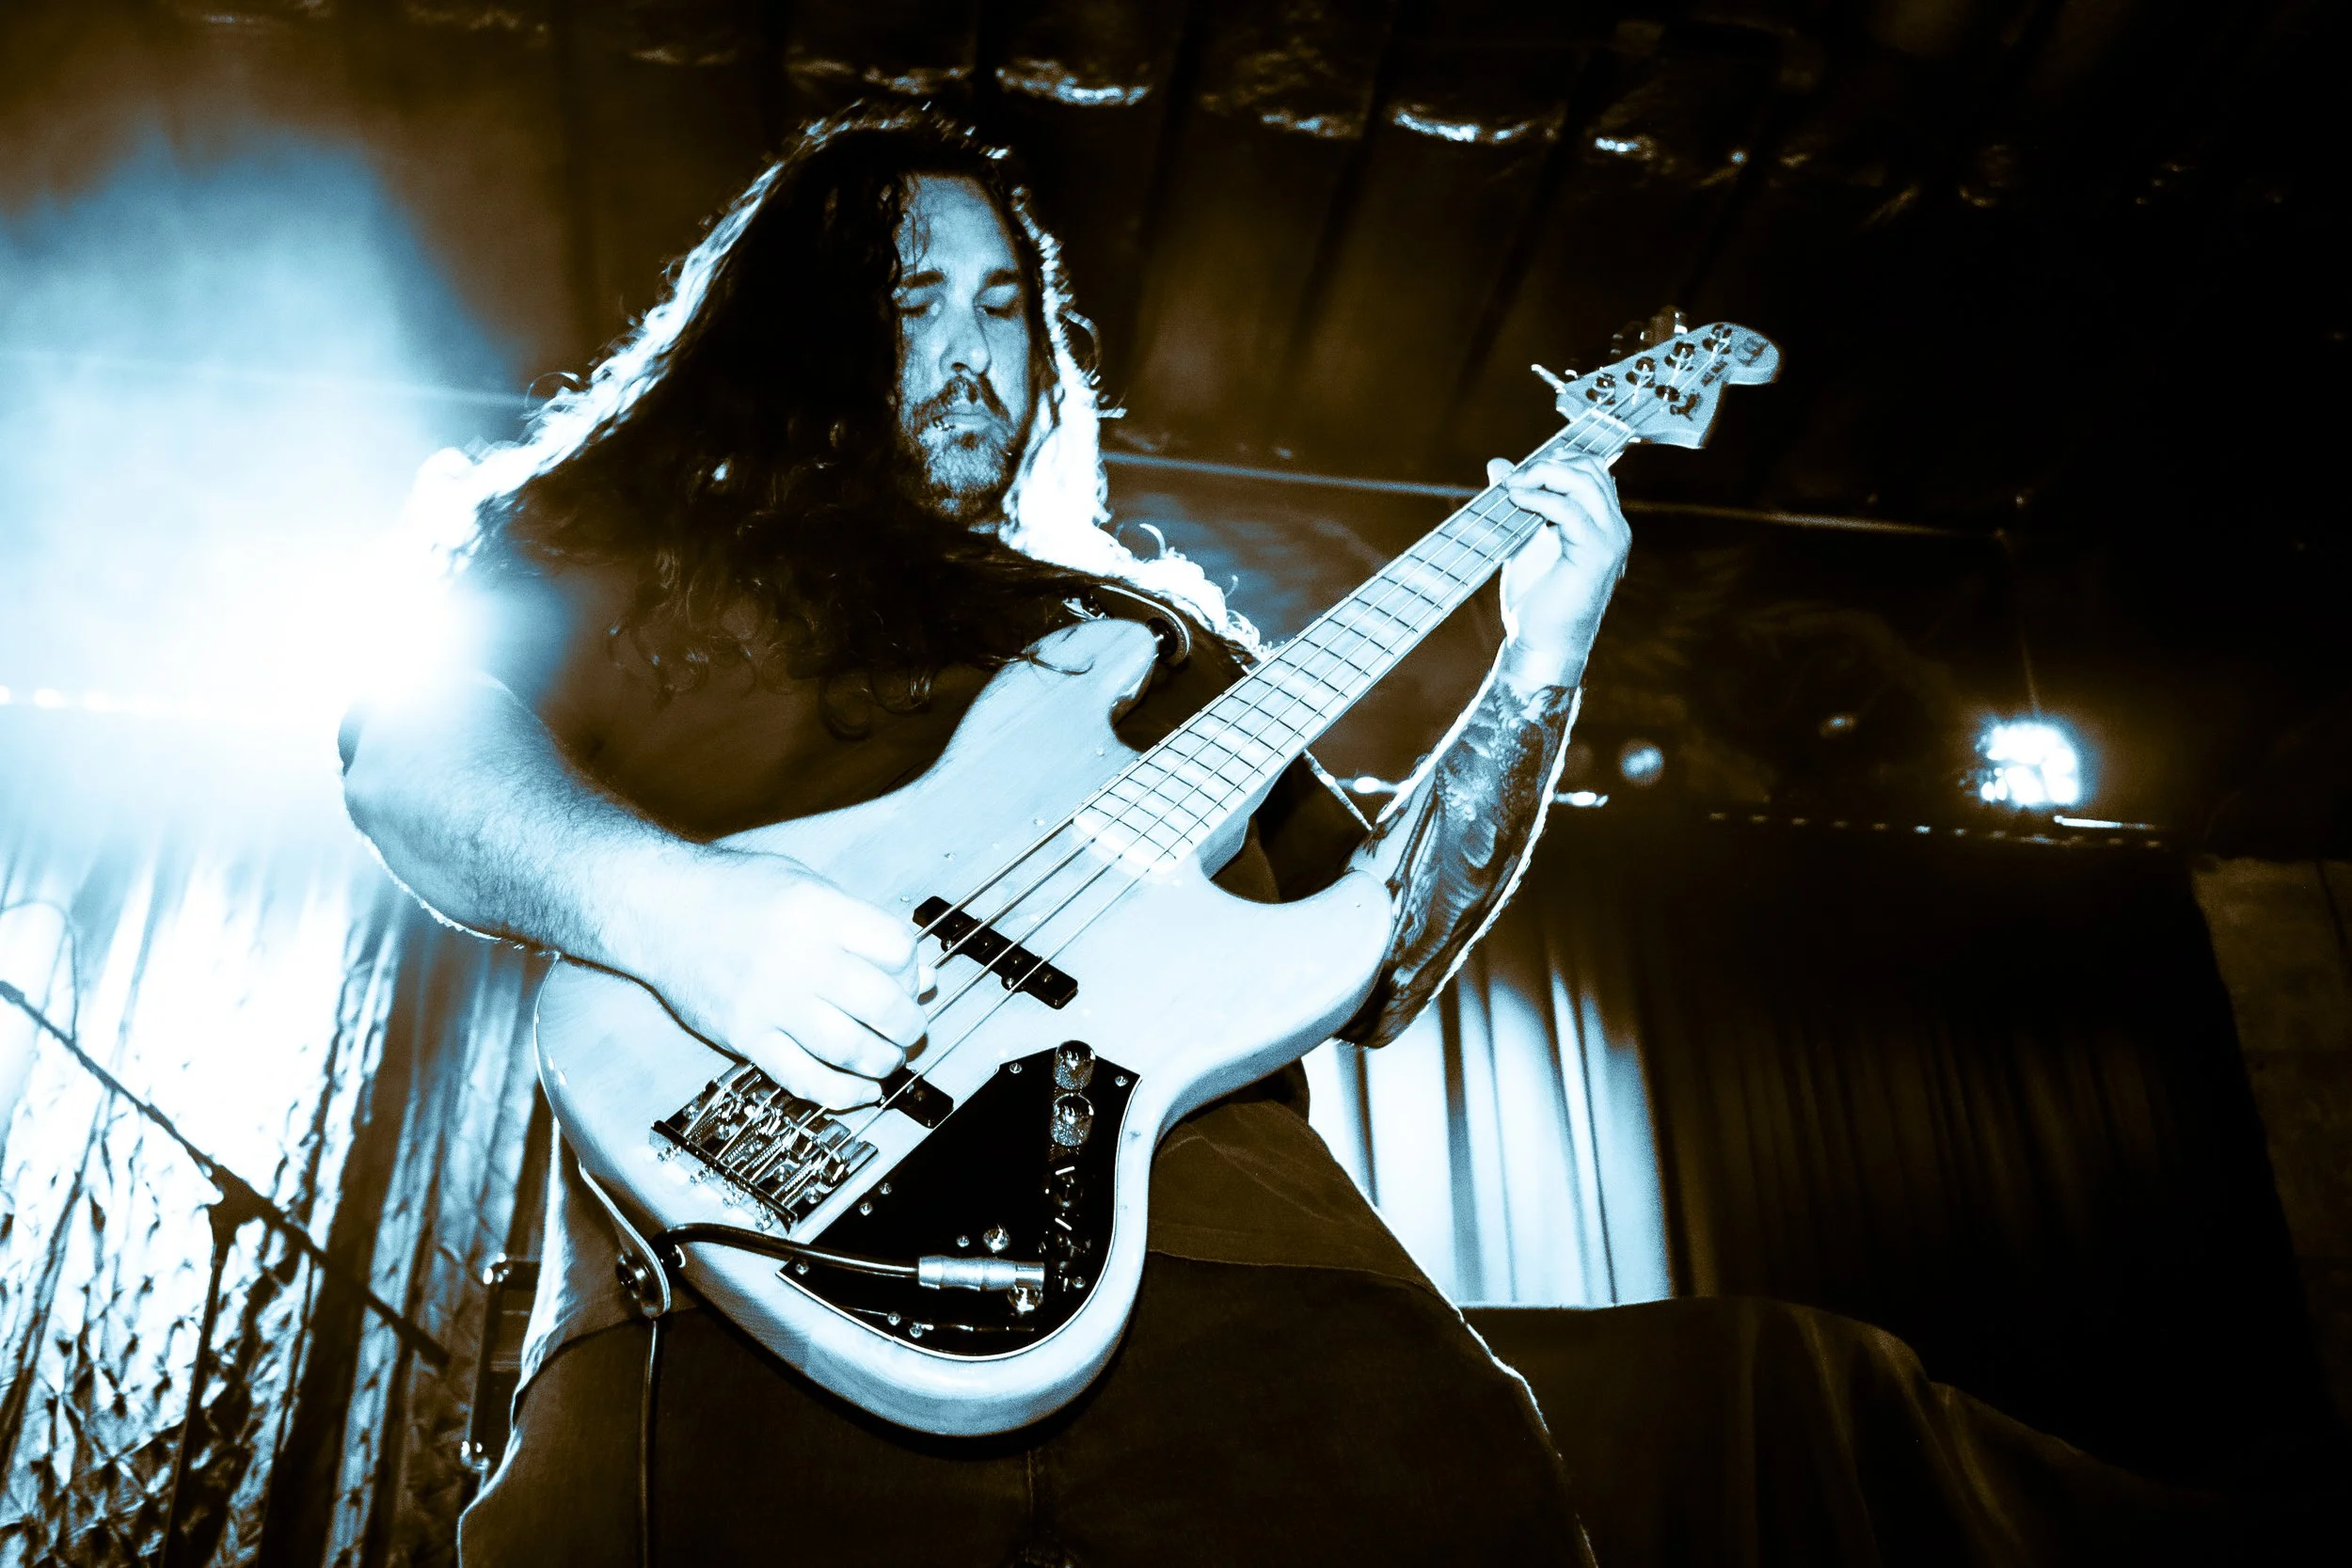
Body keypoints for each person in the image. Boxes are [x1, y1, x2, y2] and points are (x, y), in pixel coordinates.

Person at [342, 105, 1629, 1568]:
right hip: (733, 1293)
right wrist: (675, 910)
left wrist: (1540, 663)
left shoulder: (1150, 640)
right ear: (798, 334)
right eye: (914, 300)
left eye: (1008, 307)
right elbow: (410, 755)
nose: (974, 348)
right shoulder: (623, 548)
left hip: (1258, 1284)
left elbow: (1384, 949)